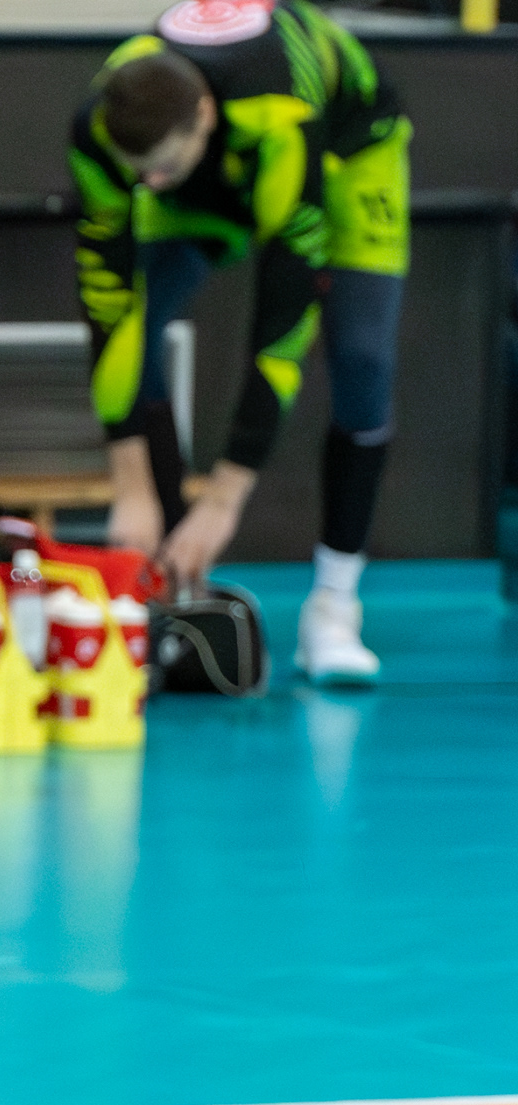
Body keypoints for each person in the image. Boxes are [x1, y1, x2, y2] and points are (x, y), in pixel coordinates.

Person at [72, 0, 411, 683]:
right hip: (211, 159)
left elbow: (283, 323)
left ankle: (334, 605)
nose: (148, 186)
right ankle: (171, 580)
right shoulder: (103, 131)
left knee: (361, 358)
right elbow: (109, 305)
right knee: (143, 314)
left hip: (344, 151)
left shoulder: (280, 116)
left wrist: (223, 500)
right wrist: (129, 486)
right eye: (138, 173)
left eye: (159, 170)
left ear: (201, 117)